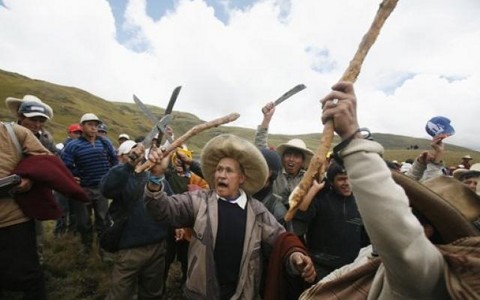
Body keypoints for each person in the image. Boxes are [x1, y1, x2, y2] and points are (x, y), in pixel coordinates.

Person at [300, 81, 480, 299]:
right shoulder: (372, 254)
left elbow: (392, 214)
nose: (401, 207)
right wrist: (426, 166)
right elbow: (409, 196)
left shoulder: (422, 277)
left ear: (425, 231)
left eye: (410, 214)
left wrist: (352, 139)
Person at [144, 134, 316, 299]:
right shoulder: (198, 201)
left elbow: (280, 238)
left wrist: (294, 255)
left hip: (241, 294)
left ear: (241, 178)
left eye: (228, 171)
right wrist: (156, 179)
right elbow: (163, 210)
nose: (221, 175)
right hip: (201, 294)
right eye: (219, 170)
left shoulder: (257, 212)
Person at [100, 141, 171, 300]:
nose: (137, 157)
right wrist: (128, 166)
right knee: (120, 294)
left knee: (152, 293)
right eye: (131, 154)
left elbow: (170, 203)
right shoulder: (121, 176)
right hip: (129, 250)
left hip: (156, 247)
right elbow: (106, 189)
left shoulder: (156, 178)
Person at [0, 122, 51, 299]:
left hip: (13, 219)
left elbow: (45, 161)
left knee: (29, 277)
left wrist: (28, 179)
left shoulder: (15, 133)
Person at [298, 162, 369, 280]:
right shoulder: (321, 199)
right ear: (331, 181)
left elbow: (366, 237)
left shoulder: (361, 201)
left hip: (352, 267)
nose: (346, 183)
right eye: (341, 179)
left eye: (350, 178)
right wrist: (314, 189)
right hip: (321, 266)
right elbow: (301, 214)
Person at [61, 113, 118, 255]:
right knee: (83, 222)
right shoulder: (73, 145)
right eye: (90, 125)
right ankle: (86, 247)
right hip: (83, 189)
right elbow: (64, 166)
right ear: (82, 126)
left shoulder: (105, 142)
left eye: (96, 125)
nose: (94, 128)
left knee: (103, 220)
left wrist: (112, 175)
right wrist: (71, 176)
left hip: (101, 189)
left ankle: (104, 249)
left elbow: (114, 160)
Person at [255, 102, 314, 238]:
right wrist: (266, 120)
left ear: (302, 161)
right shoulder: (274, 173)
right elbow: (260, 148)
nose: (291, 159)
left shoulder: (308, 180)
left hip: (296, 233)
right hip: (267, 228)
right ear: (283, 157)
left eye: (296, 156)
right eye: (288, 155)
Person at [164, 145, 209, 285]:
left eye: (182, 160)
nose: (178, 163)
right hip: (169, 225)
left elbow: (208, 191)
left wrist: (199, 191)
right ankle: (160, 287)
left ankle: (186, 285)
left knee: (186, 258)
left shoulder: (196, 179)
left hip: (189, 227)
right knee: (166, 257)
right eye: (175, 159)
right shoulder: (168, 176)